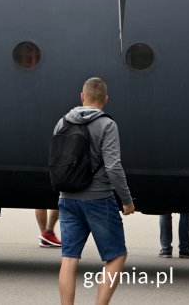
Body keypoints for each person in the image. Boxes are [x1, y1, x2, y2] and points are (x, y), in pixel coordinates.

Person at [55, 77, 135, 305]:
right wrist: (127, 201)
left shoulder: (63, 122)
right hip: (98, 199)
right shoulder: (107, 125)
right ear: (105, 99)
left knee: (69, 258)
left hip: (67, 198)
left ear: (82, 96)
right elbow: (113, 166)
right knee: (116, 256)